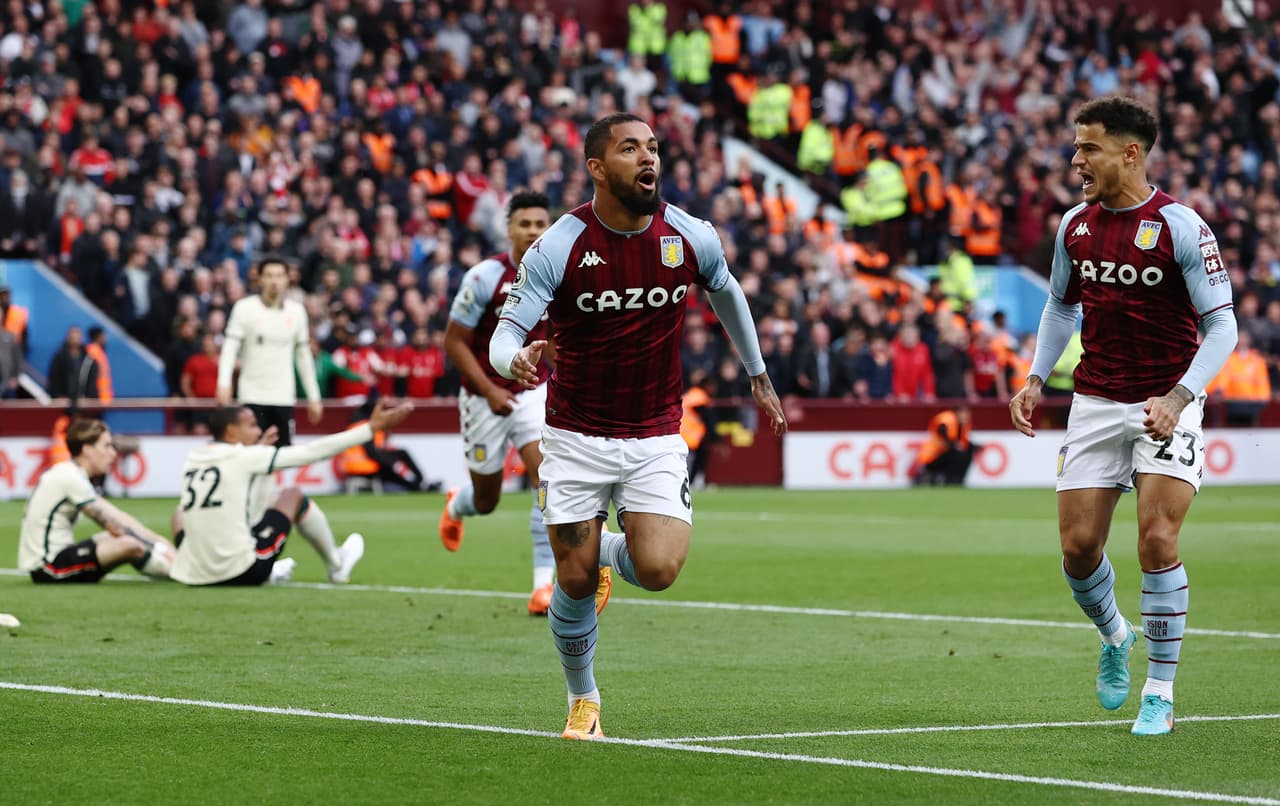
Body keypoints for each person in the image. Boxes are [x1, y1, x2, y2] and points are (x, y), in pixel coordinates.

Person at [490, 113, 787, 739]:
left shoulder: (688, 235)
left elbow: (726, 290)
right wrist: (513, 358)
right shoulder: (559, 245)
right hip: (572, 436)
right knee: (571, 577)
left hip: (654, 434)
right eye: (630, 149)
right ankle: (584, 700)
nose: (647, 158)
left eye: (653, 147)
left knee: (659, 570)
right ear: (598, 168)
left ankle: (603, 556)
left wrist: (756, 371)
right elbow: (506, 332)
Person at [1010, 98, 1237, 737]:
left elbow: (1223, 328)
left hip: (1165, 404)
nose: (1076, 159)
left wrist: (1179, 398)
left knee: (1157, 541)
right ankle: (1115, 634)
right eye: (1076, 146)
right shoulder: (1074, 226)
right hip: (1095, 401)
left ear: (1129, 154)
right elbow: (1060, 307)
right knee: (1079, 551)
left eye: (1088, 148)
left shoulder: (1183, 227)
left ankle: (1159, 693)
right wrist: (1033, 377)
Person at [440, 191, 618, 616]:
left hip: (533, 392)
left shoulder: (557, 273)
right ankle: (456, 503)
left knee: (545, 479)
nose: (534, 231)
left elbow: (557, 342)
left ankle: (543, 587)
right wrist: (490, 389)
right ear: (509, 228)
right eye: (525, 224)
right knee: (487, 499)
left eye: (541, 224)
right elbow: (454, 342)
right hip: (484, 395)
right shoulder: (484, 277)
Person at [169, 399, 412, 587]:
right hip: (241, 572)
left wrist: (258, 451)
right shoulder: (245, 457)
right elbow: (312, 452)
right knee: (293, 495)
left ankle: (205, 562)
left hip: (195, 573)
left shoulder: (194, 457)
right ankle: (336, 564)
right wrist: (369, 429)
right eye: (252, 425)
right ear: (231, 431)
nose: (257, 431)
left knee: (179, 514)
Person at [17, 417, 175, 583]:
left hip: (54, 559)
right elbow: (116, 526)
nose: (113, 453)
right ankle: (177, 573)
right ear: (87, 450)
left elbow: (117, 516)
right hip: (49, 568)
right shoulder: (70, 478)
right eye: (106, 446)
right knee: (129, 544)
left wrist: (158, 540)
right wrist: (159, 546)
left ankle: (177, 569)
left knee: (121, 538)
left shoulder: (69, 473)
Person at [216, 256, 322, 446]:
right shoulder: (244, 308)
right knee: (252, 457)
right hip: (251, 396)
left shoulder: (297, 312)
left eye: (280, 276)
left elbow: (303, 356)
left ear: (288, 279)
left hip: (283, 397)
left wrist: (313, 396)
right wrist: (223, 382)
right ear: (260, 279)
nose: (275, 281)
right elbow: (230, 348)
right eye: (269, 275)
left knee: (281, 458)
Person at [910, 405, 974, 486]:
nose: (966, 416)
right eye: (963, 413)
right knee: (957, 453)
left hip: (947, 453)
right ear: (957, 413)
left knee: (967, 452)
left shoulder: (964, 424)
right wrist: (953, 444)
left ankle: (957, 480)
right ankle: (948, 479)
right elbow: (942, 431)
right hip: (934, 456)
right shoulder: (947, 419)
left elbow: (963, 442)